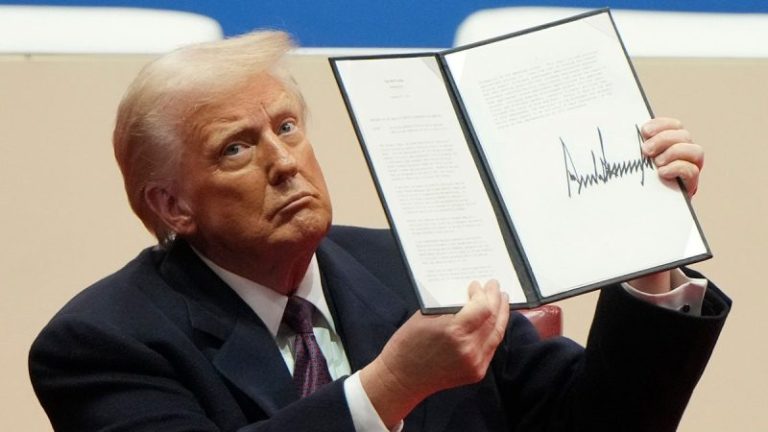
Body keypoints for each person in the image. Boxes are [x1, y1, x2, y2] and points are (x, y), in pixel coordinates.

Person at [29, 31, 730, 432]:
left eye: (287, 127)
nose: (283, 162)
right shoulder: (101, 343)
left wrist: (649, 254)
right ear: (173, 206)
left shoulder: (407, 264)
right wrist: (387, 387)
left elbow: (597, 426)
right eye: (235, 148)